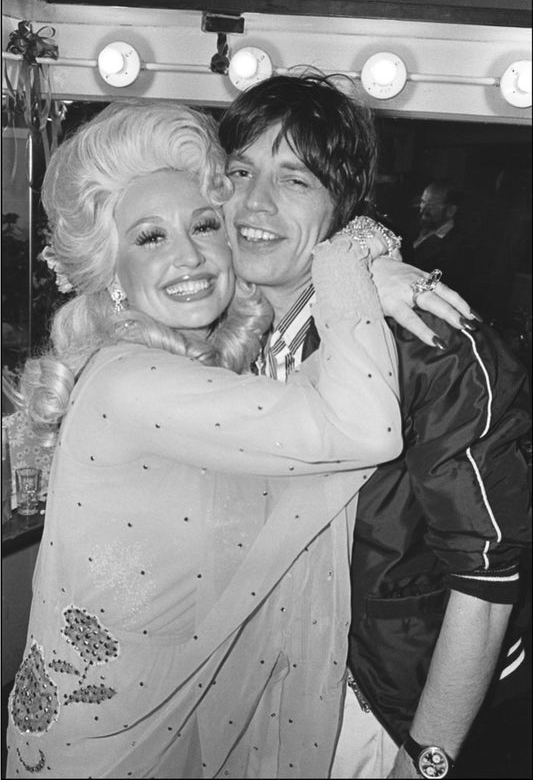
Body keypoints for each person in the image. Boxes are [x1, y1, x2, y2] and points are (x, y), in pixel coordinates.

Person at [5, 100, 406, 779]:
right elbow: (364, 424)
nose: (187, 256)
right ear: (111, 270)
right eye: (149, 237)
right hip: (104, 749)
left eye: (203, 224)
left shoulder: (198, 371)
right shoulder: (133, 383)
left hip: (170, 719)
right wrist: (349, 256)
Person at [218, 72, 531, 779]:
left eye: (293, 179)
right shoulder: (211, 337)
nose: (253, 202)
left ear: (341, 207)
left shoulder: (427, 344)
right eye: (239, 171)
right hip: (257, 687)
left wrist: (426, 758)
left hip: (385, 701)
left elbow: (485, 580)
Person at [408, 179, 475, 300]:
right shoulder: (413, 228)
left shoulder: (458, 249)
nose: (423, 209)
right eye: (423, 202)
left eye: (432, 205)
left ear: (451, 211)